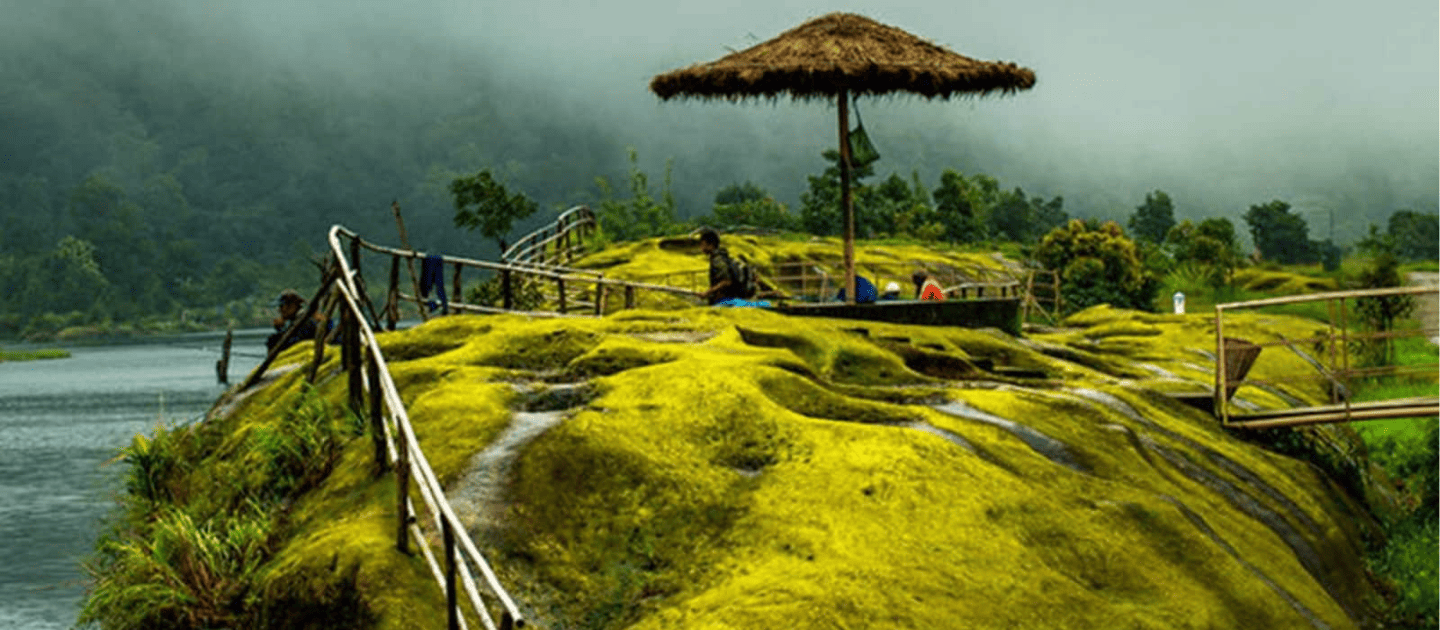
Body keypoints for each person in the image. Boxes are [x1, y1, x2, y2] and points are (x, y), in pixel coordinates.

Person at [699, 229, 742, 305]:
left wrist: (707, 293)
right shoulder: (720, 256)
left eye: (702, 244)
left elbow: (726, 281)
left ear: (711, 245)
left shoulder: (718, 260)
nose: (701, 247)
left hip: (724, 299)